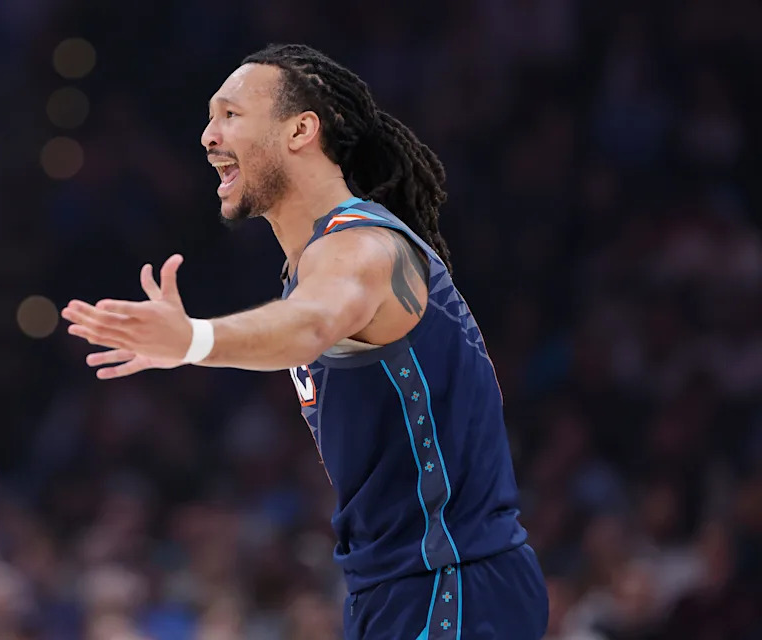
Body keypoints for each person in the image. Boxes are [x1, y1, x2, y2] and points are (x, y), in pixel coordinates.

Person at [61, 44, 548, 639]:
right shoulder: (309, 265)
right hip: (397, 586)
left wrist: (195, 340)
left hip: (452, 581)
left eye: (231, 115)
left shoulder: (362, 248)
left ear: (300, 129)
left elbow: (311, 324)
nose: (209, 136)